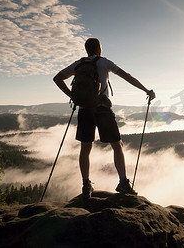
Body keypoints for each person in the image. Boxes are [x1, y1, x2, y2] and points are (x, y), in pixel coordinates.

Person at [53, 38, 155, 198]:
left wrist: (73, 96)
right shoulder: (103, 62)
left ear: (87, 49)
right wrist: (146, 90)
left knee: (85, 148)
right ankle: (123, 182)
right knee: (117, 144)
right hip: (102, 108)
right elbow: (126, 76)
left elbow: (57, 78)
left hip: (84, 109)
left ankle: (86, 185)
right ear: (99, 48)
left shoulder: (78, 64)